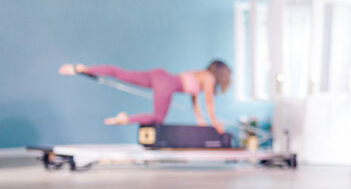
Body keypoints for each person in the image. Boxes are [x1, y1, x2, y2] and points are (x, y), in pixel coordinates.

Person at [58, 60, 232, 134]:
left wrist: (200, 121)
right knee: (157, 117)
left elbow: (195, 100)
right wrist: (215, 122)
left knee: (120, 73)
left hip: (158, 76)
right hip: (167, 84)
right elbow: (208, 101)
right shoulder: (209, 78)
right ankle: (126, 118)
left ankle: (83, 68)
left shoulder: (200, 74)